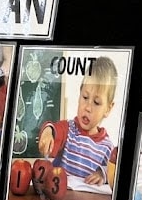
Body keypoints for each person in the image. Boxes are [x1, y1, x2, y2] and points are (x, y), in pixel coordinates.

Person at [38, 55, 119, 186]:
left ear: (108, 109)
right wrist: (47, 132)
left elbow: (112, 176)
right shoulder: (69, 130)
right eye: (85, 97)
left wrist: (102, 174)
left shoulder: (107, 148)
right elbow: (53, 127)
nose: (87, 107)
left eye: (96, 102)